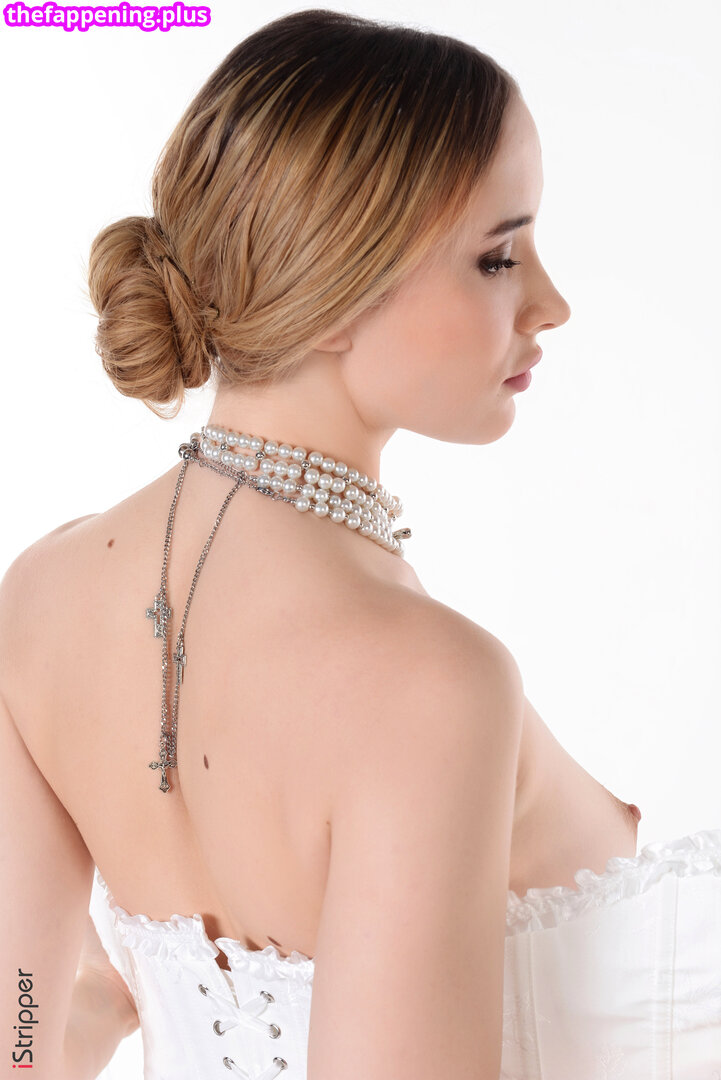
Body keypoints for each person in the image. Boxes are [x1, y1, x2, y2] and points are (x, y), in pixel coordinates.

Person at [1, 9, 719, 1080]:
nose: (550, 303)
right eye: (497, 257)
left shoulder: (41, 593)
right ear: (334, 294)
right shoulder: (428, 682)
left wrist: (87, 1020)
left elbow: (17, 1037)